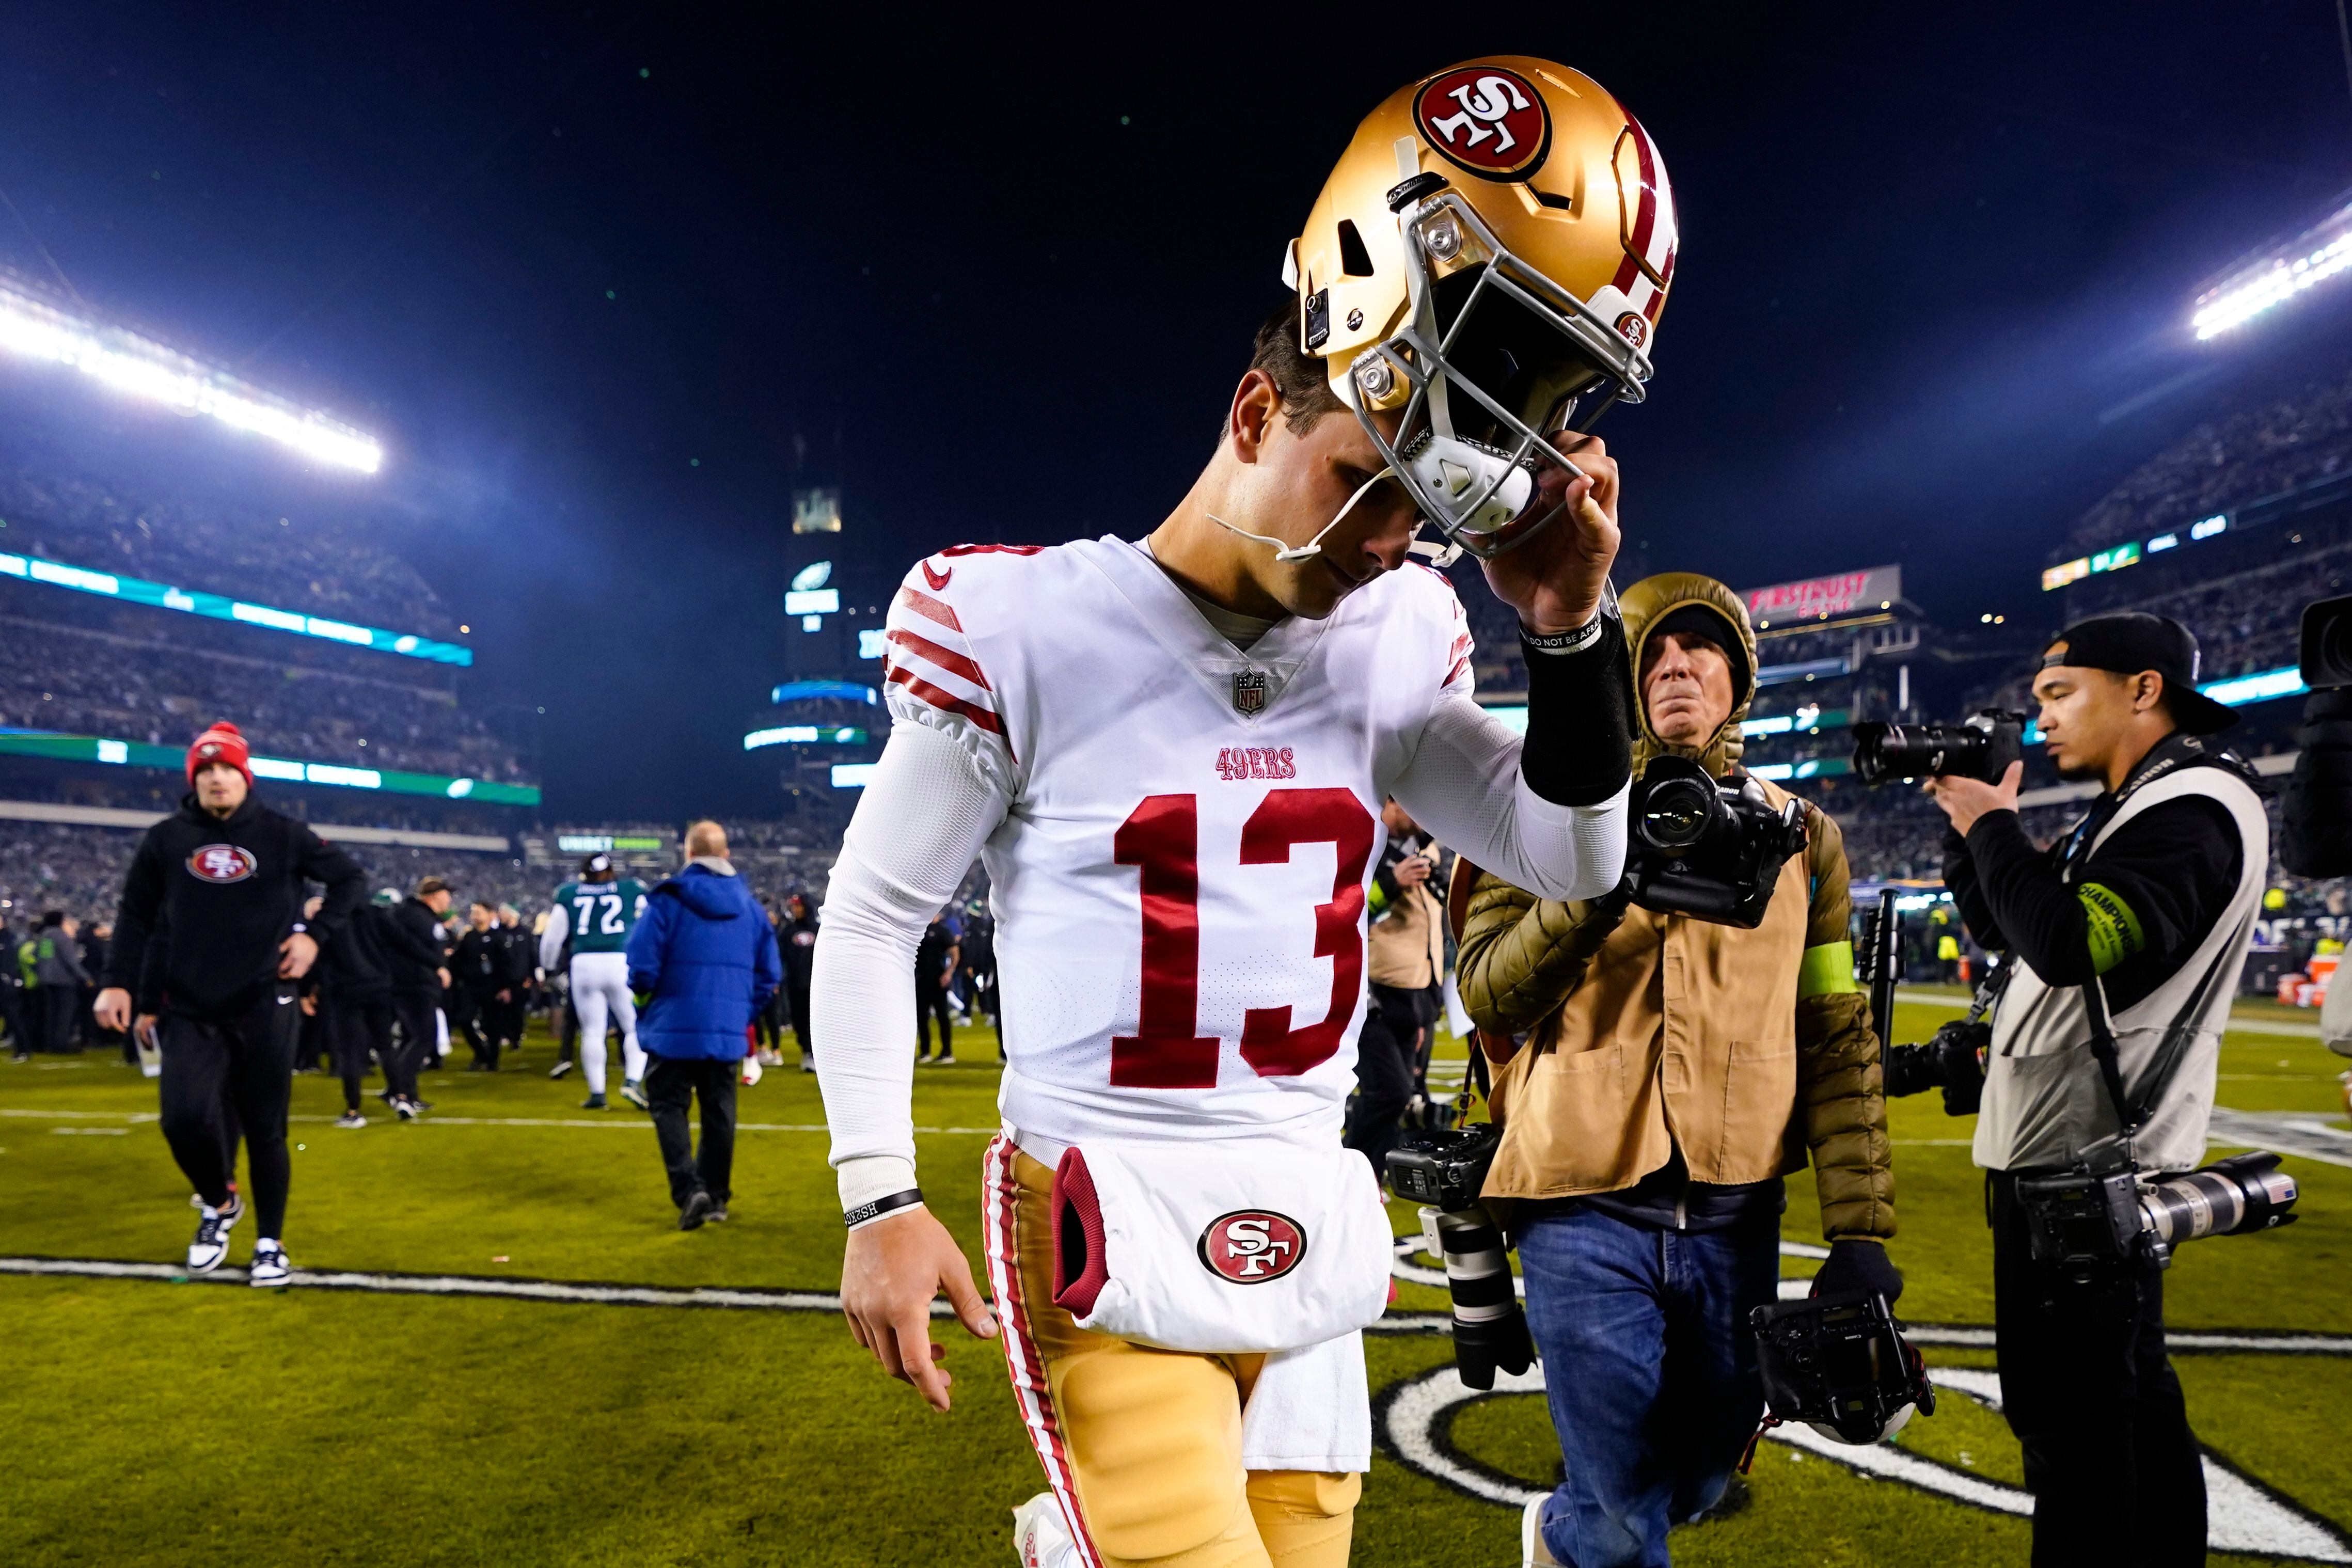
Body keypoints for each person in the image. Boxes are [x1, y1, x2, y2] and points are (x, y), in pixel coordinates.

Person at [815, 55, 1657, 1568]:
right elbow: (874, 914)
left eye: (1424, 509)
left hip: (1308, 1221)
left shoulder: (1401, 635)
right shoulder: (1023, 621)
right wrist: (877, 1190)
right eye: (1360, 477)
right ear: (1257, 405)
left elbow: (1575, 852)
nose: (1383, 540)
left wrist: (1572, 631)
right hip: (1104, 1206)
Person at [1454, 574, 1897, 1568]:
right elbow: (1487, 991)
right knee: (1620, 1520)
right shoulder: (1543, 811)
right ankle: (1584, 1533)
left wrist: (1859, 1230)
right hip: (1582, 1203)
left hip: (1736, 1209)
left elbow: (1836, 1033)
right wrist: (1599, 884)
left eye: (1700, 651)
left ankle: (1562, 1530)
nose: (1676, 667)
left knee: (1701, 1477)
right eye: (1651, 652)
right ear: (1619, 678)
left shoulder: (1805, 838)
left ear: (1738, 681)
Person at [1925, 611, 2268, 1566]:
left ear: (2143, 689)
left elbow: (2071, 944)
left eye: (2058, 693)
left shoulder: (2192, 804)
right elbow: (2016, 937)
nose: (2040, 721)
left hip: (2091, 1162)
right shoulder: (2141, 803)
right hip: (2073, 1157)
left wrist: (1995, 820)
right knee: (2126, 1405)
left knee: (2076, 1427)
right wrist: (1969, 836)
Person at [94, 722, 367, 1286]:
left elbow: (350, 881)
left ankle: (271, 1241)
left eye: (226, 769)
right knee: (182, 1119)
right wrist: (118, 982)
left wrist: (315, 937)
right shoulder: (166, 838)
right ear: (194, 778)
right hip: (191, 1007)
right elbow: (135, 917)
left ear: (245, 775)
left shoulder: (284, 834)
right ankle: (219, 1203)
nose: (216, 778)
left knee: (266, 1129)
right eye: (205, 769)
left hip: (267, 1000)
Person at [625, 821, 781, 1229]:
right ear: (726, 855)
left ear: (688, 854)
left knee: (667, 1105)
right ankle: (716, 1197)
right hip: (725, 1031)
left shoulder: (667, 900)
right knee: (719, 1112)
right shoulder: (750, 908)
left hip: (672, 1027)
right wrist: (739, 1014)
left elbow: (641, 968)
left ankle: (689, 1188)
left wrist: (646, 1005)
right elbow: (770, 975)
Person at [1342, 799, 1445, 1176]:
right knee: (1390, 1092)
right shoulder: (1363, 844)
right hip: (1372, 992)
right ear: (1389, 803)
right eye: (1412, 804)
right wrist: (1391, 882)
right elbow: (1345, 910)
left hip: (1416, 989)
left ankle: (1371, 1177)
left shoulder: (1428, 843)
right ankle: (1351, 1175)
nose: (1423, 814)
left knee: (1399, 1095)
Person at [540, 853, 651, 1111]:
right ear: (611, 871)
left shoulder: (568, 894)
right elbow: (649, 925)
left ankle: (598, 1093)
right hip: (619, 961)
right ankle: (632, 1080)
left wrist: (547, 969)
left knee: (592, 1030)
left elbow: (552, 940)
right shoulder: (631, 889)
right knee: (634, 1028)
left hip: (584, 965)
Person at [385, 879, 455, 1118]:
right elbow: (411, 946)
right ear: (434, 895)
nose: (449, 900)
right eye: (447, 895)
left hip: (412, 984)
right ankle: (401, 1093)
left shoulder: (416, 914)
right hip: (415, 985)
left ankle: (406, 1093)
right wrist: (438, 966)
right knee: (424, 1038)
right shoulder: (416, 915)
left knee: (410, 1038)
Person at [452, 900, 510, 1071]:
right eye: (473, 912)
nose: (474, 916)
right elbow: (458, 961)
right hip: (471, 986)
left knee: (493, 1024)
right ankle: (481, 1052)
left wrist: (506, 987)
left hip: (493, 986)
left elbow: (506, 964)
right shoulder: (469, 937)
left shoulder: (499, 937)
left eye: (478, 912)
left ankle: (492, 1059)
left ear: (490, 915)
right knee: (464, 1019)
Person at [34, 912, 90, 1054]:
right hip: (64, 980)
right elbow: (71, 960)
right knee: (65, 1013)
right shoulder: (61, 936)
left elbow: (39, 956)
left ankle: (51, 1044)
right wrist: (86, 977)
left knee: (52, 1013)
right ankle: (62, 1045)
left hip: (46, 979)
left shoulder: (44, 935)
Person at [913, 912, 959, 1065]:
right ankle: (925, 1051)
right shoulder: (919, 928)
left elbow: (954, 952)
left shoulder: (942, 930)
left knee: (942, 1016)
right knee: (921, 1017)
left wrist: (949, 973)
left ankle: (947, 1052)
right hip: (921, 979)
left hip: (939, 980)